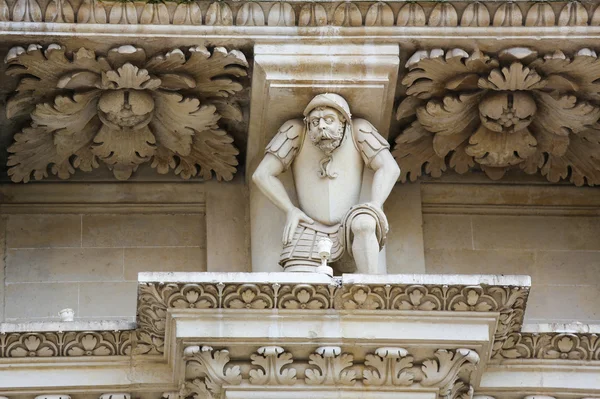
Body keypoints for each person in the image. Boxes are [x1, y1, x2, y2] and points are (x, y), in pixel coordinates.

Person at [252, 93, 400, 274]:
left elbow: (389, 167)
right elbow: (262, 174)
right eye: (315, 122)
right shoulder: (296, 131)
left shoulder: (358, 130)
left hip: (348, 227)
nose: (321, 126)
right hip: (308, 228)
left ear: (344, 122)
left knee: (365, 223)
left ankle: (370, 284)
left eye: (329, 120)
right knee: (298, 291)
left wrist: (376, 204)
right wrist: (290, 209)